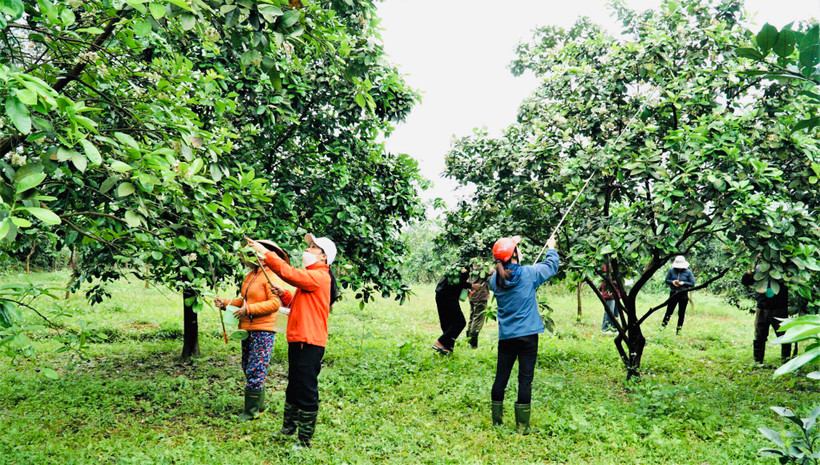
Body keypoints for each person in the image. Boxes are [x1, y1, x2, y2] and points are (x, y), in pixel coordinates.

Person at [247, 233, 338, 448]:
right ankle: (288, 428)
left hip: (310, 341)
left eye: (313, 248)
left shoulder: (320, 276)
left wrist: (266, 253)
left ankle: (304, 440)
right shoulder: (311, 276)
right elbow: (302, 303)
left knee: (306, 389)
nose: (308, 250)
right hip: (298, 339)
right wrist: (286, 296)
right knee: (294, 386)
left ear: (324, 257)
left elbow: (288, 273)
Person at [488, 235, 559, 435]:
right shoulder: (529, 274)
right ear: (515, 256)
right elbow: (551, 266)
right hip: (528, 337)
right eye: (518, 250)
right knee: (525, 380)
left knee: (501, 377)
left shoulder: (495, 280)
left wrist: (511, 243)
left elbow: (506, 266)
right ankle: (522, 427)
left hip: (507, 337)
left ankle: (497, 422)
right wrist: (551, 248)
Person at [215, 240, 287, 421]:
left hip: (263, 329)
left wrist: (248, 310)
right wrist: (226, 303)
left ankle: (251, 411)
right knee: (247, 366)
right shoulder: (252, 275)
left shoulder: (272, 276)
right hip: (248, 327)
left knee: (256, 368)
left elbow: (275, 303)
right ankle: (259, 405)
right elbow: (245, 299)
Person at [742, 266, 792, 366]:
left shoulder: (782, 266)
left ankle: (786, 362)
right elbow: (745, 282)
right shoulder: (758, 268)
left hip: (779, 307)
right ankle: (758, 361)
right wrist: (748, 273)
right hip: (762, 306)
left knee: (784, 336)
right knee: (759, 335)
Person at [432, 259, 480, 355]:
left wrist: (466, 288)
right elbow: (460, 281)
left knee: (448, 323)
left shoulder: (459, 262)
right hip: (447, 296)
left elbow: (455, 281)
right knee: (460, 322)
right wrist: (472, 286)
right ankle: (440, 342)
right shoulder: (465, 265)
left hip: (441, 294)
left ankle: (447, 349)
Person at [661, 255, 695, 334]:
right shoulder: (671, 270)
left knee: (681, 313)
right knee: (669, 312)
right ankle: (662, 328)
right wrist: (672, 282)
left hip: (683, 294)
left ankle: (678, 331)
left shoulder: (688, 272)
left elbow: (692, 283)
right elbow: (666, 280)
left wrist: (683, 283)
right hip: (673, 293)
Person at [466, 268, 491, 349]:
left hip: (472, 294)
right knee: (478, 319)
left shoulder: (471, 263)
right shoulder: (482, 265)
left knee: (472, 317)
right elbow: (490, 272)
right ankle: (473, 343)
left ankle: (469, 340)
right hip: (480, 295)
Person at [599, 265, 620, 333]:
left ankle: (614, 328)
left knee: (616, 311)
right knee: (609, 311)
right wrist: (609, 290)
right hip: (610, 291)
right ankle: (606, 328)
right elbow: (606, 276)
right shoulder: (606, 264)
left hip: (617, 292)